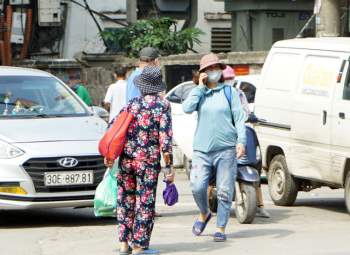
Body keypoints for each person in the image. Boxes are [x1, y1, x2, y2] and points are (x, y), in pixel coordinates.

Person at [105, 66, 173, 255]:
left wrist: (109, 155)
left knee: (125, 200)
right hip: (148, 163)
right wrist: (169, 169)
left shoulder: (132, 104)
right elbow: (165, 140)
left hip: (127, 160)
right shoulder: (163, 106)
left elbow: (113, 128)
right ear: (158, 86)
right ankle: (138, 247)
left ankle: (124, 245)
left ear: (142, 86)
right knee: (145, 202)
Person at [182, 53, 247, 242]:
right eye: (209, 69)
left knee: (225, 190)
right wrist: (200, 88)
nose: (214, 72)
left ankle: (220, 227)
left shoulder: (229, 92)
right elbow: (187, 108)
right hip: (202, 149)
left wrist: (241, 141)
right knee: (197, 186)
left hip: (226, 149)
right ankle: (204, 213)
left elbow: (240, 118)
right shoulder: (199, 93)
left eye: (216, 68)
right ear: (202, 73)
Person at [222, 65, 270, 218]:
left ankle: (260, 205)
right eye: (226, 79)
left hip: (242, 133)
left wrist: (251, 116)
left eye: (231, 78)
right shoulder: (217, 95)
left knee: (254, 165)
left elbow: (245, 111)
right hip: (225, 135)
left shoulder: (239, 93)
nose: (230, 81)